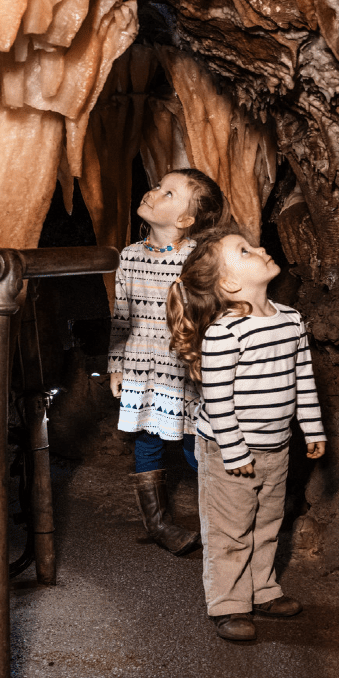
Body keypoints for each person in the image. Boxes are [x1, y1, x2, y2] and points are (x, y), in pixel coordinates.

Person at [167, 230, 326, 642]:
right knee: (230, 529)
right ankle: (228, 603)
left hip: (276, 445)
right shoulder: (225, 333)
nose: (260, 249)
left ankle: (262, 590)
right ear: (230, 284)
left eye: (252, 245)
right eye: (244, 251)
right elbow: (217, 400)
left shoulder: (290, 319)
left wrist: (312, 426)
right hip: (227, 448)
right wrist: (235, 452)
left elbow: (303, 378)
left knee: (267, 522)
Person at [108, 168, 230, 555]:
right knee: (147, 439)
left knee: (197, 440)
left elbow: (214, 313)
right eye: (158, 185)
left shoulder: (198, 258)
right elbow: (120, 316)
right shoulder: (128, 256)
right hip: (143, 361)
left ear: (185, 220)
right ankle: (158, 523)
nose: (153, 192)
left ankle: (225, 525)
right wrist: (116, 362)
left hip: (186, 363)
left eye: (169, 192)